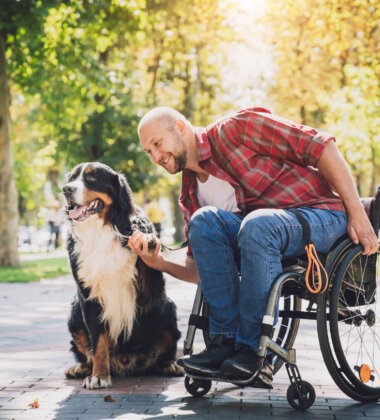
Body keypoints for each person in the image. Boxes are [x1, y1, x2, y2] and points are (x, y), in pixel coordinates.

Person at [128, 106, 378, 387]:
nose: (156, 157)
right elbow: (203, 270)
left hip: (321, 215)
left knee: (257, 223)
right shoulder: (189, 194)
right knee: (204, 221)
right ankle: (224, 344)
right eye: (148, 152)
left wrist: (357, 213)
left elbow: (321, 147)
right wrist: (159, 262)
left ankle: (253, 353)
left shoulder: (237, 129)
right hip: (267, 233)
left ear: (180, 127)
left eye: (157, 144)